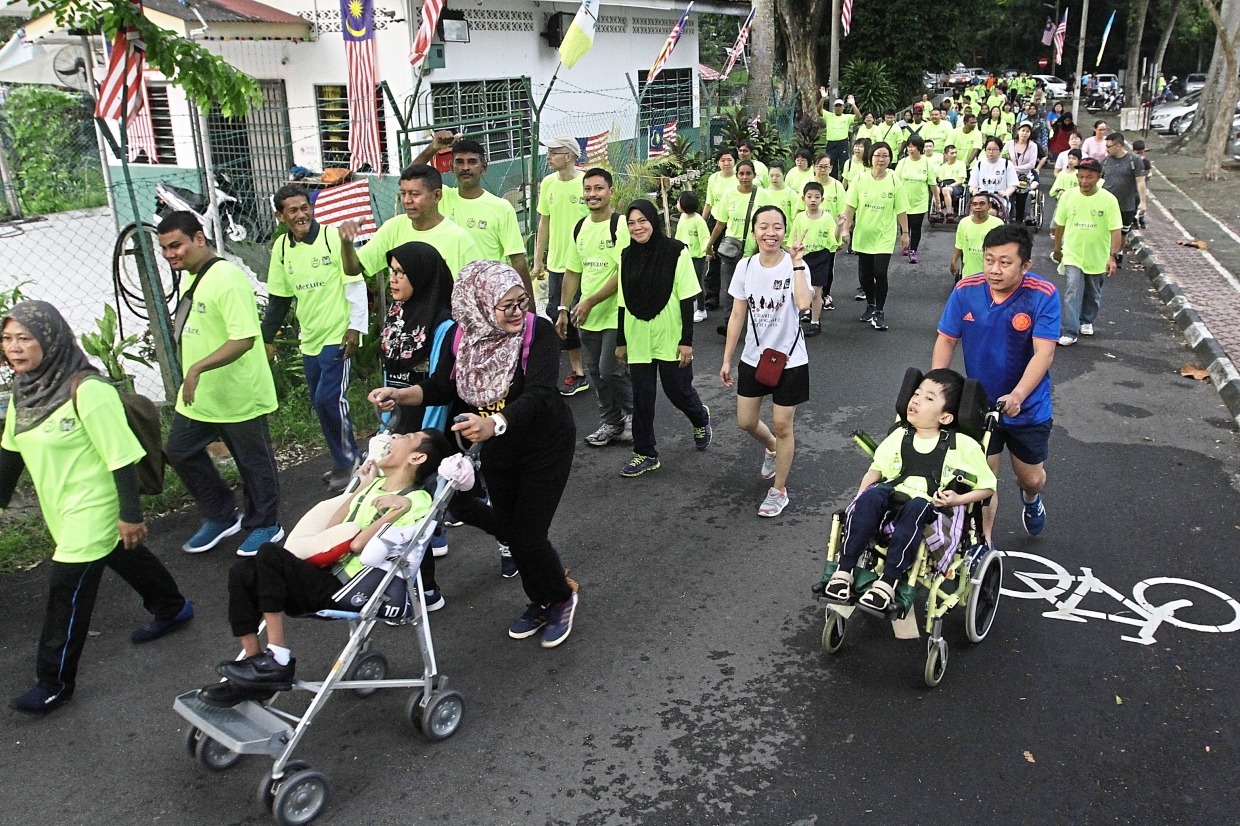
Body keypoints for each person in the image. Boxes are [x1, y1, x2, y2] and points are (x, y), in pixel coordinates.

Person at [370, 262, 581, 648]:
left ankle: (561, 596)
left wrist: (495, 423)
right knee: (508, 528)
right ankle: (542, 598)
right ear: (479, 305)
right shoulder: (461, 338)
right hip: (498, 450)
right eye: (507, 306)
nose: (518, 312)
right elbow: (440, 388)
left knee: (529, 534)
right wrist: (399, 395)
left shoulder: (539, 332)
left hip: (544, 445)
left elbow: (540, 395)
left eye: (521, 301)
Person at [1, 301, 191, 713]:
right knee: (122, 555)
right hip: (61, 509)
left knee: (66, 591)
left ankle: (53, 682)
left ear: (49, 339)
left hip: (96, 506)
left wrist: (130, 514)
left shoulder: (89, 391)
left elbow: (122, 457)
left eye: (25, 338)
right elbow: (10, 454)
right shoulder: (25, 391)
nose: (14, 348)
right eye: (7, 338)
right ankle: (172, 607)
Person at [201, 429, 450, 704]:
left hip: (348, 588)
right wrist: (359, 489)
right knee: (243, 571)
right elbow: (333, 530)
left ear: (417, 457)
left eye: (407, 436)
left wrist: (397, 510)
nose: (394, 437)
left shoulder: (415, 500)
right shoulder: (374, 486)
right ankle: (254, 669)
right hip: (324, 574)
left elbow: (359, 545)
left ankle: (278, 659)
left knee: (270, 554)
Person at [821, 369, 996, 613]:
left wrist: (959, 498)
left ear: (945, 417)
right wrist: (859, 501)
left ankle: (888, 583)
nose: (916, 400)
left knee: (916, 507)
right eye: (916, 393)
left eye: (928, 398)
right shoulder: (899, 436)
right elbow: (875, 472)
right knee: (873, 495)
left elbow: (987, 486)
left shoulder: (964, 446)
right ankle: (844, 572)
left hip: (932, 510)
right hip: (893, 504)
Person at [159, 211, 282, 555]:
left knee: (253, 463)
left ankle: (266, 524)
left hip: (239, 393)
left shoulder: (227, 278)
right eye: (165, 248)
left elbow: (244, 339)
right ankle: (222, 515)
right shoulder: (190, 275)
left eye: (176, 245)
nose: (171, 254)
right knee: (179, 451)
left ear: (199, 238)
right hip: (202, 398)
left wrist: (196, 368)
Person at [933, 224, 1059, 543]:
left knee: (1030, 479)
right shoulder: (966, 289)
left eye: (1005, 262)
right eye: (989, 260)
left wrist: (1017, 394)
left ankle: (1032, 500)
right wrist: (937, 388)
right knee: (982, 480)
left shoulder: (1043, 295)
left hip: (1027, 407)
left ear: (1025, 265)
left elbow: (1043, 354)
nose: (994, 269)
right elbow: (946, 340)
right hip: (979, 406)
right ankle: (983, 544)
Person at [261, 184, 366, 491]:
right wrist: (266, 339)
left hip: (338, 334)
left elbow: (355, 283)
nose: (301, 214)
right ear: (281, 216)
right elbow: (278, 301)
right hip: (311, 339)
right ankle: (342, 461)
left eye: (304, 207)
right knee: (319, 403)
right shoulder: (281, 249)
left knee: (330, 399)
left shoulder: (332, 238)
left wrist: (355, 327)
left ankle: (352, 462)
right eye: (292, 210)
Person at [720, 205, 813, 518]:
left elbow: (803, 303)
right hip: (754, 357)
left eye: (777, 227)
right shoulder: (745, 267)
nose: (770, 233)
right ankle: (772, 446)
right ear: (754, 231)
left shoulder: (795, 265)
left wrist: (798, 264)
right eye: (763, 226)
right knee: (745, 421)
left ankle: (779, 491)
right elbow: (737, 314)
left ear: (784, 231)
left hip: (791, 358)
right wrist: (727, 357)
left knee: (783, 424)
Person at [614, 200, 712, 477]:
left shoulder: (675, 251)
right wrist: (621, 341)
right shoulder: (626, 256)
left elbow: (686, 297)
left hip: (670, 335)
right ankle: (645, 452)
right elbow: (623, 302)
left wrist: (687, 342)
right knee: (642, 397)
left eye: (642, 220)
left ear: (653, 221)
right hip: (638, 336)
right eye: (631, 223)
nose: (637, 227)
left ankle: (699, 417)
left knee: (677, 391)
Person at [558, 167, 634, 447]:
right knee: (596, 374)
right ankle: (612, 423)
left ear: (611, 192)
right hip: (586, 316)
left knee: (610, 369)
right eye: (588, 189)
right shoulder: (580, 227)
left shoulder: (621, 225)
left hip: (615, 313)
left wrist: (589, 301)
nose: (593, 194)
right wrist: (564, 308)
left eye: (599, 188)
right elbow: (573, 271)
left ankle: (637, 416)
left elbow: (622, 271)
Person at [414, 133, 533, 296]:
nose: (465, 168)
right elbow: (411, 178)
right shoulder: (441, 198)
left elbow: (517, 260)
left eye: (472, 162)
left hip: (486, 297)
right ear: (451, 167)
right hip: (446, 296)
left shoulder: (501, 208)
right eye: (459, 162)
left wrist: (529, 305)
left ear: (484, 167)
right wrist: (433, 148)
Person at [341, 164, 479, 279]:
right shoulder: (393, 228)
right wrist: (346, 243)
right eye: (403, 193)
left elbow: (475, 293)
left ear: (437, 195)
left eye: (415, 194)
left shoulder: (459, 240)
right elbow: (353, 269)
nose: (407, 200)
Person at [532, 136, 591, 396]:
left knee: (591, 317)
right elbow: (543, 222)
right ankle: (579, 372)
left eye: (553, 152)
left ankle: (608, 368)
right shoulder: (547, 184)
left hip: (587, 266)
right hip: (557, 265)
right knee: (562, 318)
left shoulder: (587, 184)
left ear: (568, 156)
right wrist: (538, 258)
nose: (548, 157)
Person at [378, 242, 455, 434]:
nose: (393, 279)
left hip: (426, 431)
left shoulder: (443, 326)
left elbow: (440, 390)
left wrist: (426, 440)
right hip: (397, 427)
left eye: (400, 272)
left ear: (422, 276)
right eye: (392, 271)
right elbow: (390, 378)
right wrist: (385, 430)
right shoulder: (397, 316)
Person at [1052, 157, 1123, 346]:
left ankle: (1087, 319)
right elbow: (1060, 224)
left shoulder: (1109, 200)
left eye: (1089, 177)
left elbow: (1116, 230)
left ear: (1099, 177)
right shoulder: (1068, 196)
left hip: (1097, 255)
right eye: (1081, 177)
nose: (1084, 181)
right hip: (1072, 252)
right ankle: (1069, 330)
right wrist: (1057, 248)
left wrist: (1113, 256)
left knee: (1093, 291)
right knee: (1071, 290)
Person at [841, 142, 910, 332]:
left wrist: (905, 233)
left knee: (880, 273)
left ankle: (879, 310)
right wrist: (846, 229)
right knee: (865, 275)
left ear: (890, 159)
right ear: (870, 158)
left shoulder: (895, 180)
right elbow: (850, 206)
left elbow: (901, 209)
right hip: (863, 233)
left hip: (885, 235)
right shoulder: (860, 179)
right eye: (878, 155)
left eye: (885, 156)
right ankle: (870, 304)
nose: (881, 159)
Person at [705, 159, 774, 298]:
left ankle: (752, 319)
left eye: (748, 173)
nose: (744, 177)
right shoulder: (729, 195)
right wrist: (709, 245)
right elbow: (720, 224)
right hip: (732, 252)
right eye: (741, 174)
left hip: (757, 252)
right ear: (736, 176)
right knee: (733, 292)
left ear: (754, 175)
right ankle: (729, 320)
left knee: (756, 292)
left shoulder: (764, 196)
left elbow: (771, 223)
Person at [791, 180, 844, 336]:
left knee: (816, 290)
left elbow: (834, 240)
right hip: (804, 256)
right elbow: (792, 240)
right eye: (809, 196)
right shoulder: (800, 217)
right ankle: (802, 315)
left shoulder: (827, 217)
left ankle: (815, 322)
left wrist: (840, 225)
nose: (813, 200)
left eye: (816, 197)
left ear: (822, 199)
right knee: (802, 289)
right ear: (803, 199)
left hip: (821, 256)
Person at [702, 147, 740, 309]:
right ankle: (711, 297)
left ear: (735, 162)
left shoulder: (739, 179)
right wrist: (702, 223)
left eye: (729, 160)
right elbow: (709, 203)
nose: (726, 163)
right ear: (718, 163)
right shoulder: (713, 179)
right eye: (723, 160)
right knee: (713, 258)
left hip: (733, 223)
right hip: (716, 222)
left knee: (736, 260)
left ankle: (737, 299)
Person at [898, 134, 935, 264]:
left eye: (913, 146)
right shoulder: (902, 162)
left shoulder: (926, 163)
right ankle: (905, 242)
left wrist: (936, 200)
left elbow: (932, 183)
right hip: (904, 200)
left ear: (919, 148)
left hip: (920, 201)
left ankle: (913, 250)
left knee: (916, 226)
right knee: (904, 225)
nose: (910, 149)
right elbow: (896, 181)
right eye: (908, 146)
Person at [951, 192, 1004, 281]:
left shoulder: (998, 224)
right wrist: (954, 261)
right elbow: (959, 245)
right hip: (968, 276)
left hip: (991, 277)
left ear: (989, 206)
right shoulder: (963, 223)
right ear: (971, 207)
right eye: (975, 204)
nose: (978, 207)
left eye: (982, 204)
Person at [674, 191, 710, 322]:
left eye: (679, 201)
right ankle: (692, 305)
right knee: (685, 281)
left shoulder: (698, 220)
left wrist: (706, 252)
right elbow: (678, 235)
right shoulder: (683, 218)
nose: (677, 204)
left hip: (697, 257)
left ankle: (701, 309)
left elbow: (705, 237)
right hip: (685, 256)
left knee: (697, 283)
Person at [1101, 132, 1148, 231]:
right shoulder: (1106, 161)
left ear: (1118, 146)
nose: (1107, 149)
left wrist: (1143, 202)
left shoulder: (1134, 160)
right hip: (1107, 204)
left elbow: (1140, 181)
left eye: (1108, 146)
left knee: (1123, 232)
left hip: (1126, 205)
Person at [1003, 122, 1046, 225]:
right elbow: (1003, 158)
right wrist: (1011, 169)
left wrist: (1014, 168)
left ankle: (1018, 224)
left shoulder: (1033, 146)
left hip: (1024, 178)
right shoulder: (1009, 144)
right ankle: (1008, 222)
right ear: (1018, 131)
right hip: (1009, 177)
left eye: (1027, 131)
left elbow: (1031, 164)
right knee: (1009, 201)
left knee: (1021, 203)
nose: (1025, 133)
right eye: (1023, 130)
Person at [969, 137, 1019, 218]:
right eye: (988, 149)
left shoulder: (1007, 164)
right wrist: (974, 191)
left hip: (1000, 200)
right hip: (982, 199)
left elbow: (1012, 185)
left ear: (1000, 150)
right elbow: (972, 184)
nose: (991, 152)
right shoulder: (980, 163)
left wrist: (1006, 193)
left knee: (991, 212)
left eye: (994, 149)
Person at [819, 91, 862, 178]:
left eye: (840, 106)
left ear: (843, 107)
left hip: (843, 143)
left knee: (844, 165)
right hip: (831, 144)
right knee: (831, 165)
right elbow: (819, 110)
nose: (838, 108)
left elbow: (858, 116)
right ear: (834, 107)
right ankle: (832, 182)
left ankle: (844, 184)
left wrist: (853, 104)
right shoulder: (829, 115)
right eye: (836, 106)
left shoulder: (847, 117)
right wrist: (823, 98)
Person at [934, 144, 968, 220]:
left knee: (946, 189)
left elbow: (960, 181)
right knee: (935, 188)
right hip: (944, 185)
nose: (955, 155)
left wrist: (949, 186)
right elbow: (940, 180)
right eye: (952, 153)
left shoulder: (961, 164)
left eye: (955, 152)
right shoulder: (942, 167)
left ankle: (949, 213)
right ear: (946, 155)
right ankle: (938, 212)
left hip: (957, 186)